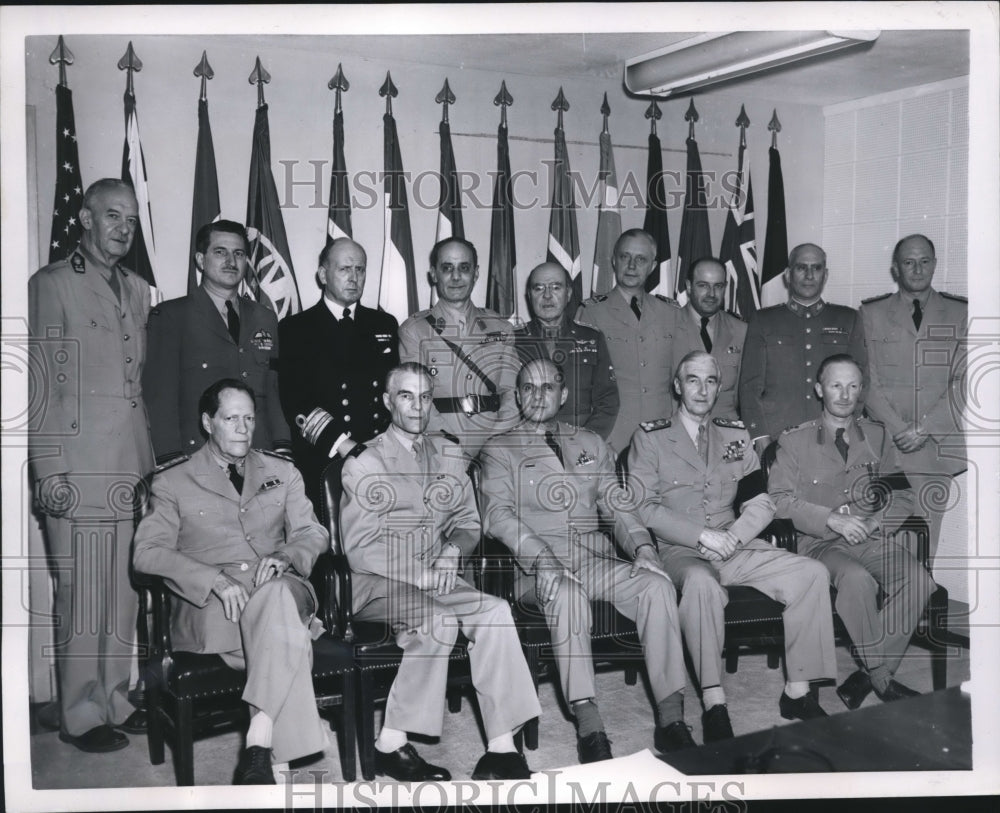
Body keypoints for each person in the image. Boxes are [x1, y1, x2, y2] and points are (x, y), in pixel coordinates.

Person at [479, 358, 693, 761]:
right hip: (536, 566)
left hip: (594, 559)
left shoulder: (590, 443)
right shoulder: (499, 449)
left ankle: (671, 716)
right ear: (518, 395)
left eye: (547, 388)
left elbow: (618, 504)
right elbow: (497, 516)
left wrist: (644, 550)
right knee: (567, 594)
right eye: (528, 387)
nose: (537, 395)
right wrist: (541, 558)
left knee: (657, 586)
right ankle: (588, 721)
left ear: (562, 395)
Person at [339, 362, 541, 781]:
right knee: (439, 619)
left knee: (496, 612)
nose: (417, 407)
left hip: (440, 575)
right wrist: (421, 576)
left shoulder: (449, 453)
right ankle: (389, 744)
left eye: (425, 397)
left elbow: (470, 522)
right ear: (387, 401)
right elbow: (360, 550)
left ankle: (501, 748)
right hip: (380, 584)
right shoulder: (366, 461)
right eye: (406, 396)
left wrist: (453, 551)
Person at [629, 351, 837, 741]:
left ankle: (798, 690)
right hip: (681, 550)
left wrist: (734, 538)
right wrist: (701, 537)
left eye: (710, 381)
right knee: (702, 584)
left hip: (736, 544)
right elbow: (642, 505)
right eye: (693, 379)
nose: (702, 389)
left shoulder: (735, 436)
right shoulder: (650, 437)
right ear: (677, 386)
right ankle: (714, 700)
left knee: (812, 573)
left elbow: (760, 501)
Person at [133, 379, 330, 784]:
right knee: (285, 639)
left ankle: (257, 741)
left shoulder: (283, 471)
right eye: (230, 419)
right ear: (208, 422)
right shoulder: (173, 481)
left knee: (276, 597)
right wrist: (213, 579)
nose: (242, 428)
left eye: (249, 418)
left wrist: (286, 554)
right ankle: (271, 749)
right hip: (219, 610)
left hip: (283, 589)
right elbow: (146, 553)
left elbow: (314, 533)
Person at [28, 178, 152, 753]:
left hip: (129, 464)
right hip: (77, 466)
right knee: (83, 594)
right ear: (84, 217)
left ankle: (116, 698)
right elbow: (41, 384)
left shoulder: (137, 289)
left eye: (130, 218)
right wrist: (49, 467)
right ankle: (79, 713)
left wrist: (150, 467)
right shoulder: (53, 284)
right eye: (111, 215)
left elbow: (134, 388)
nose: (123, 227)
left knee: (123, 591)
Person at [768, 354, 935, 707]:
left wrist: (875, 522)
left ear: (861, 391)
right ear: (819, 389)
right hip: (819, 544)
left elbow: (903, 494)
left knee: (919, 580)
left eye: (853, 386)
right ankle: (880, 676)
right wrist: (831, 519)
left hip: (868, 536)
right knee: (857, 579)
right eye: (836, 385)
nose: (845, 395)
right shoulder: (794, 441)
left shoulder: (879, 436)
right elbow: (779, 501)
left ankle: (866, 674)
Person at [144, 220, 289, 464]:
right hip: (198, 456)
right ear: (201, 260)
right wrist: (171, 460)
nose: (231, 261)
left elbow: (273, 391)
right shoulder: (171, 316)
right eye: (220, 252)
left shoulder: (264, 317)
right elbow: (160, 399)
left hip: (259, 453)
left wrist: (282, 446)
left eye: (239, 254)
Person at [859, 234, 967, 562]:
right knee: (883, 541)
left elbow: (964, 380)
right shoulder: (871, 312)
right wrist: (898, 428)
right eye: (908, 262)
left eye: (924, 261)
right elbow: (867, 379)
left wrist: (923, 428)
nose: (917, 269)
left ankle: (919, 608)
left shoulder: (960, 311)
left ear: (934, 264)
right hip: (886, 445)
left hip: (935, 446)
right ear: (896, 269)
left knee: (925, 541)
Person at [279, 237, 399, 509]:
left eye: (360, 269)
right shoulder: (295, 329)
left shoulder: (383, 323)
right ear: (323, 275)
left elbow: (393, 391)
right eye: (345, 269)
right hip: (326, 456)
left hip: (381, 454)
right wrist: (348, 447)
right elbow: (297, 401)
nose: (354, 277)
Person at [397, 237, 521, 457]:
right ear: (434, 274)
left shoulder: (500, 327)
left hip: (497, 446)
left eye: (464, 268)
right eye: (447, 268)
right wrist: (450, 446)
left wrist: (494, 444)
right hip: (439, 447)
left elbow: (511, 392)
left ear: (476, 273)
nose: (456, 277)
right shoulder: (415, 331)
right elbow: (416, 399)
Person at [739, 243, 866, 453]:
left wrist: (849, 427)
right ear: (788, 275)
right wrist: (759, 435)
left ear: (825, 275)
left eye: (816, 268)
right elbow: (750, 385)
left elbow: (862, 381)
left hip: (834, 435)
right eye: (801, 268)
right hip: (778, 436)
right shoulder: (764, 320)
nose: (809, 275)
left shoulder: (848, 318)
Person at [576, 228, 681, 453]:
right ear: (614, 261)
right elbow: (583, 386)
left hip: (663, 437)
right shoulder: (592, 312)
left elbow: (679, 379)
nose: (632, 266)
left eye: (641, 259)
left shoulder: (671, 313)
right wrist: (598, 437)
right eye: (625, 257)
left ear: (652, 266)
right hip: (612, 437)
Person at [512, 262, 619, 440]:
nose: (547, 296)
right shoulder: (513, 340)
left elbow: (607, 401)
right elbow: (507, 401)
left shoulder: (592, 338)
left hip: (581, 442)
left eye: (556, 287)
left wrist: (587, 442)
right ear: (529, 296)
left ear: (568, 294)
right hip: (527, 444)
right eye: (539, 288)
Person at [671, 257, 747, 420]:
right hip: (676, 432)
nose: (711, 294)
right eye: (703, 285)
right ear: (689, 287)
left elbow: (741, 395)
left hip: (724, 430)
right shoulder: (667, 325)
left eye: (718, 286)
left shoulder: (740, 330)